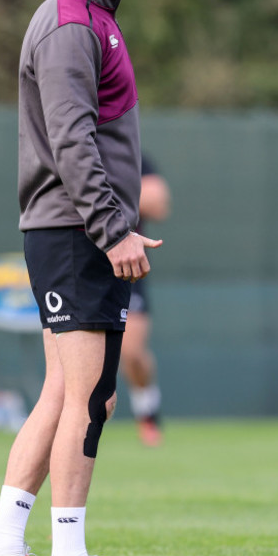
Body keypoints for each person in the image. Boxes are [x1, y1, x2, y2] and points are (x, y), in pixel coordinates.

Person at [0, 0, 162, 556]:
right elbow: (71, 138)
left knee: (64, 392)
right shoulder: (70, 22)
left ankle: (1, 541)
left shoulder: (92, 17)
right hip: (75, 231)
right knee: (90, 393)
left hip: (72, 229)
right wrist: (113, 229)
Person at [120, 154, 171, 446]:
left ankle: (147, 412)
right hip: (80, 263)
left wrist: (100, 195)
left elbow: (158, 204)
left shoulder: (134, 157)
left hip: (127, 265)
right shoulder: (70, 146)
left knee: (132, 353)